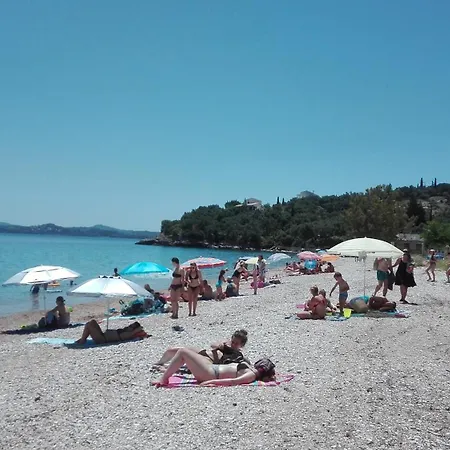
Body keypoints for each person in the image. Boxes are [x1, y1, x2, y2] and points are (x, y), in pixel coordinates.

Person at [153, 349, 275, 387]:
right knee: (188, 352)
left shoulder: (251, 375)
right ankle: (167, 370)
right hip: (211, 368)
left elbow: (233, 381)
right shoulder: (251, 369)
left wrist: (209, 382)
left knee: (182, 352)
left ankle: (164, 379)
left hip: (209, 374)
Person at [153, 329, 249, 369]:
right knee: (173, 350)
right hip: (204, 352)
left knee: (184, 360)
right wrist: (220, 345)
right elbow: (212, 345)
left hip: (206, 360)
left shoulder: (237, 355)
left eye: (236, 343)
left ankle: (164, 366)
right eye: (233, 342)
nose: (233, 344)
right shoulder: (226, 344)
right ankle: (159, 363)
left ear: (242, 345)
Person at [75, 320, 146, 345]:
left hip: (102, 339)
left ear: (133, 329)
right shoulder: (126, 331)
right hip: (102, 335)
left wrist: (137, 329)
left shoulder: (128, 334)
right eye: (130, 325)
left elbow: (139, 329)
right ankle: (83, 338)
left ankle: (82, 340)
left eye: (131, 326)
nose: (129, 326)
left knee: (88, 325)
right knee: (93, 321)